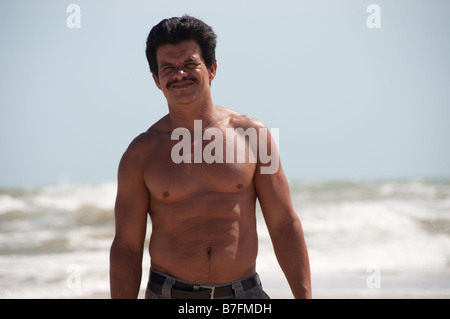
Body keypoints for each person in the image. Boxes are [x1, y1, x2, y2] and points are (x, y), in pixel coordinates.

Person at [109, 15, 311, 299]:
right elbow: (127, 247)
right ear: (156, 79)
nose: (180, 74)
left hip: (243, 296)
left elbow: (284, 223)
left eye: (190, 64)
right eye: (168, 68)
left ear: (212, 68)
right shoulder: (140, 154)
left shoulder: (254, 135)